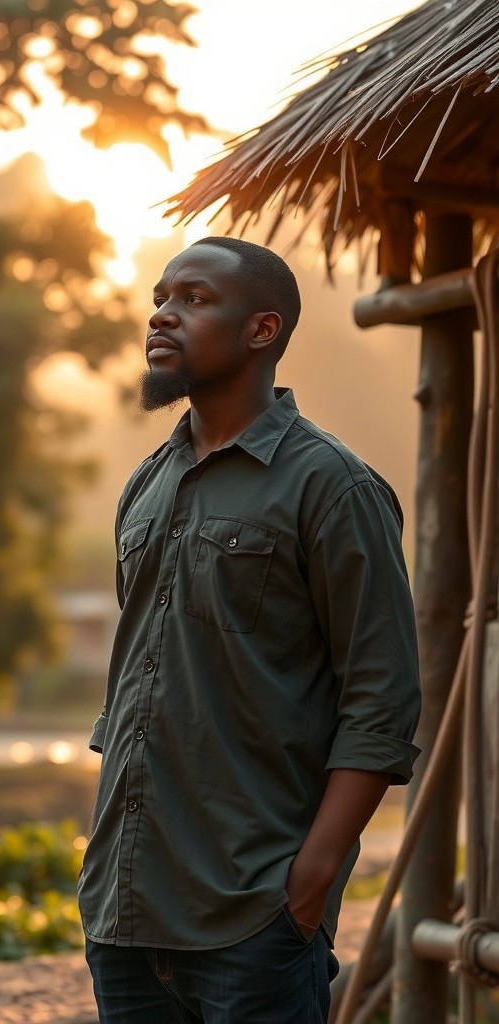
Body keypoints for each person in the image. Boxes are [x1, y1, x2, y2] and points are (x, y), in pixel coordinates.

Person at [78, 236, 421, 1024]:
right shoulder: (147, 485)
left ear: (262, 330)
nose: (163, 315)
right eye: (162, 297)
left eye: (195, 301)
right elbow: (136, 683)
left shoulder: (332, 488)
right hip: (124, 915)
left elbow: (382, 702)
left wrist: (308, 888)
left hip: (254, 919)